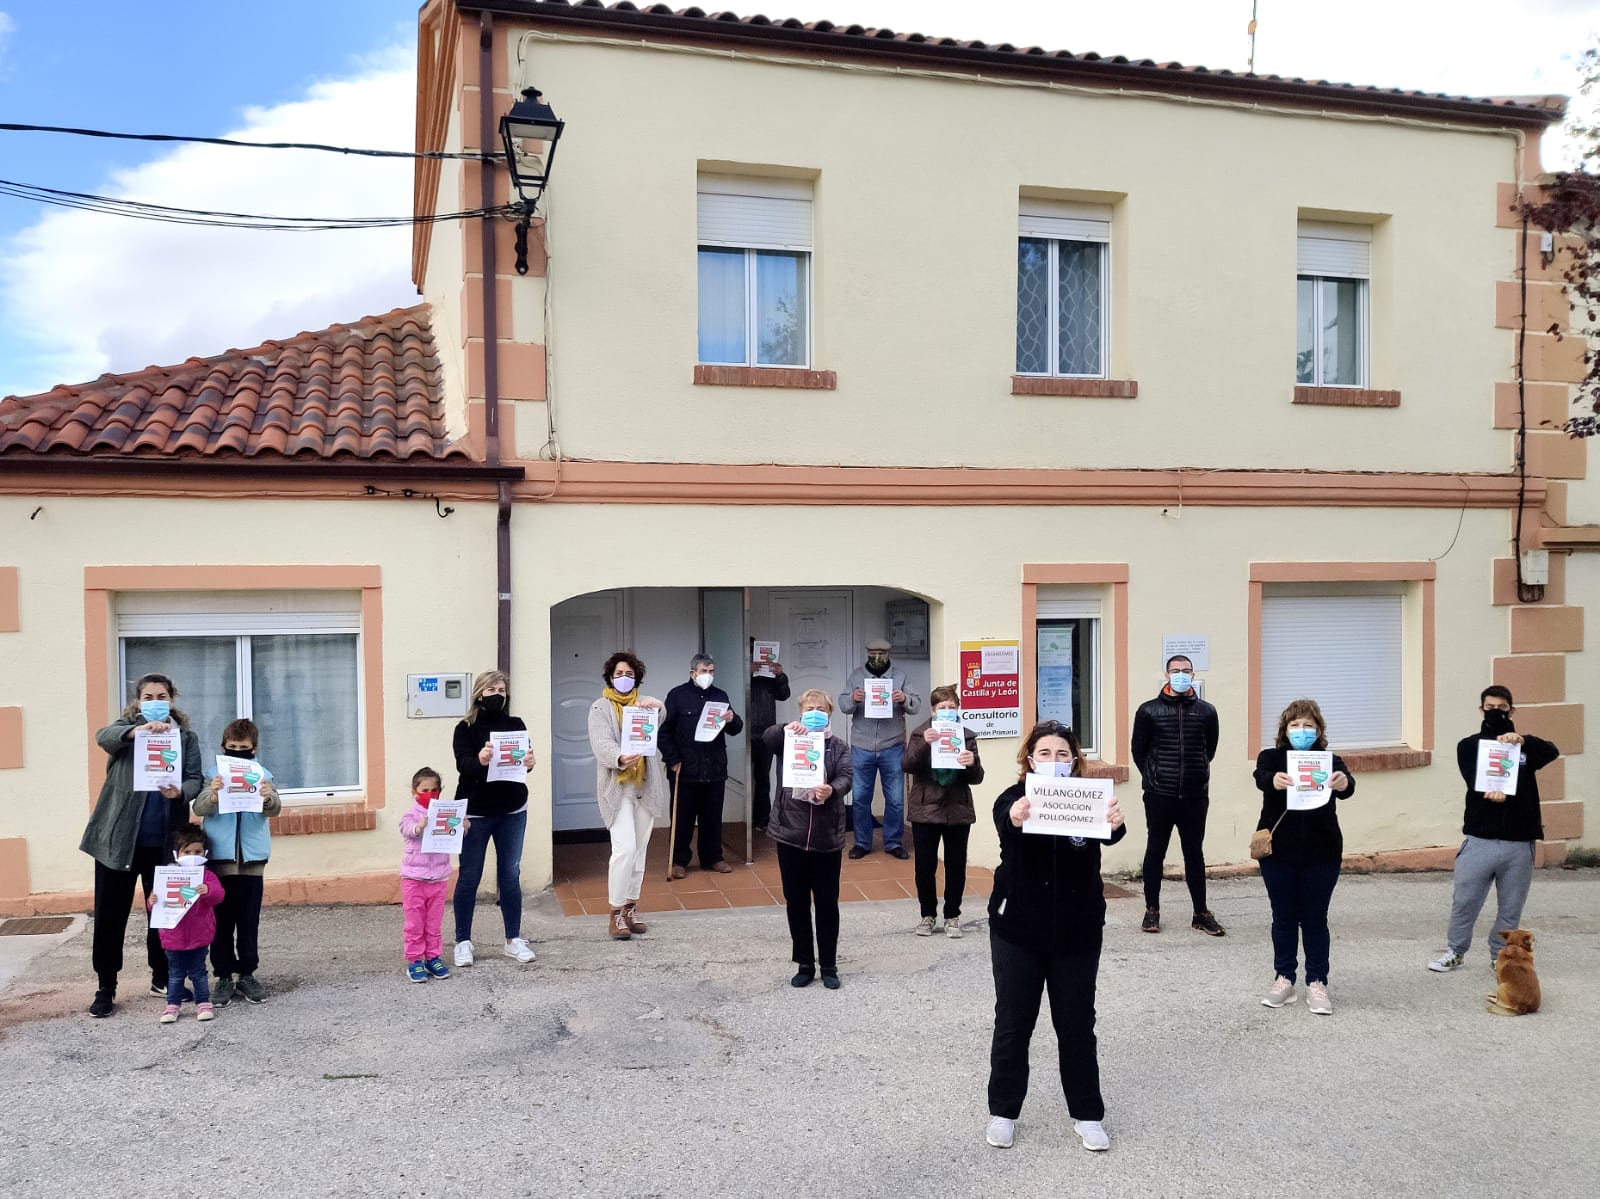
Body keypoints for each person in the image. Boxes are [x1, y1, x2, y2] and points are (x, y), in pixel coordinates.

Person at [985, 720, 1125, 1152]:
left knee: (1077, 1024)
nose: (1054, 760)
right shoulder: (1015, 797)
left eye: (1062, 754)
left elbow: (1112, 834)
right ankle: (1003, 1111)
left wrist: (1115, 822)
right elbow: (1003, 819)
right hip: (1018, 930)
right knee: (1013, 1022)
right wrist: (1015, 815)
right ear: (1029, 760)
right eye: (1044, 753)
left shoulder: (1089, 797)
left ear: (1074, 760)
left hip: (1077, 930)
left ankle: (1087, 1114)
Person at [84, 672, 205, 1018]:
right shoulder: (124, 732)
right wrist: (134, 732)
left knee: (164, 913)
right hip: (118, 841)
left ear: (172, 699)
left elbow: (195, 777)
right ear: (139, 702)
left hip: (165, 842)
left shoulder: (186, 737)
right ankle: (106, 986)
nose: (155, 702)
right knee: (110, 915)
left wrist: (182, 791)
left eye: (161, 696)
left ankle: (162, 978)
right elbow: (102, 737)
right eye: (148, 697)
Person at [1428, 685, 1561, 974]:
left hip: (1519, 840)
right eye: (1490, 707)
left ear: (1511, 711)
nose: (1496, 712)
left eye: (1502, 708)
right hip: (1480, 838)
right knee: (1465, 901)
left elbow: (1552, 751)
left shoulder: (1525, 748)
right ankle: (1456, 951)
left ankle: (1499, 955)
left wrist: (1522, 741)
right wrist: (1489, 789)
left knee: (1511, 907)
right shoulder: (1469, 745)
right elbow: (1471, 776)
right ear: (1481, 710)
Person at [1252, 700, 1356, 1015]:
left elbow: (1348, 787)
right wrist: (1273, 780)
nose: (1301, 731)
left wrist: (1343, 782)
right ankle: (1284, 979)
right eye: (1295, 725)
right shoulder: (1271, 758)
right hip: (1278, 853)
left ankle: (1317, 982)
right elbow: (1260, 776)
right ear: (1285, 730)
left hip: (1322, 852)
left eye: (1308, 725)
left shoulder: (1330, 760)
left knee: (1314, 920)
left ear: (1319, 730)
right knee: (1283, 918)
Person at [761, 690, 853, 989]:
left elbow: (847, 775)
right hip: (791, 833)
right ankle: (803, 962)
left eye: (820, 708)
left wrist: (833, 789)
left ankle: (829, 965)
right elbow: (767, 739)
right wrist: (785, 728)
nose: (814, 712)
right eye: (809, 708)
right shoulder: (789, 738)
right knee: (796, 901)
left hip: (827, 836)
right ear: (800, 711)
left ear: (830, 713)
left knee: (827, 903)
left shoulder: (839, 746)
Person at [1130, 654, 1223, 936]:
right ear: (1167, 675)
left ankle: (1200, 912)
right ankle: (1152, 910)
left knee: (1194, 852)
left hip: (1195, 795)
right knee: (1155, 851)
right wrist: (1154, 776)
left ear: (1193, 675)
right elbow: (1138, 751)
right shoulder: (1149, 711)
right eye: (1176, 670)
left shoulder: (1207, 712)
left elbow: (1210, 750)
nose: (1181, 674)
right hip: (1160, 794)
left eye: (1186, 670)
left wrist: (1197, 775)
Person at [450, 670, 537, 968]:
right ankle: (463, 941)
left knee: (510, 875)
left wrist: (530, 761)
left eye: (501, 689)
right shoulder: (465, 728)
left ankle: (513, 939)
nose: (497, 694)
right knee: (469, 876)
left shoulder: (515, 724)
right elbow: (463, 764)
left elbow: (523, 762)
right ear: (478, 694)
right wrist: (481, 760)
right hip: (475, 810)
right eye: (491, 690)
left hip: (512, 809)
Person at [192, 718, 281, 1007]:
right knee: (220, 923)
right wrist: (213, 793)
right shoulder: (213, 774)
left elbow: (276, 809)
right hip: (220, 860)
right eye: (232, 748)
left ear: (254, 748)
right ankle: (223, 976)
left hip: (252, 861)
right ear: (223, 747)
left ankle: (247, 973)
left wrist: (268, 798)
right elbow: (199, 807)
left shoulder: (264, 774)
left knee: (248, 921)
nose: (238, 752)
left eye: (243, 748)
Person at [587, 651, 669, 941]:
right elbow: (600, 744)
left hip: (645, 786)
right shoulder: (600, 707)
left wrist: (655, 704)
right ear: (610, 677)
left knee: (640, 850)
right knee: (624, 848)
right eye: (619, 674)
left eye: (630, 674)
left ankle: (632, 908)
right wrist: (621, 757)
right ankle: (615, 911)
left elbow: (660, 717)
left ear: (638, 678)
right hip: (618, 786)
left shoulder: (643, 705)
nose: (624, 679)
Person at [902, 685, 984, 938]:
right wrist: (925, 744)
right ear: (933, 710)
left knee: (956, 865)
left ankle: (952, 915)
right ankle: (927, 915)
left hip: (957, 808)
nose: (947, 712)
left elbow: (977, 778)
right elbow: (908, 765)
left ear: (958, 709)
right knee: (925, 866)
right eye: (941, 708)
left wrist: (972, 764)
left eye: (951, 707)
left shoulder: (967, 736)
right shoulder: (920, 733)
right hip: (926, 807)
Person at [660, 653, 745, 876]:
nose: (708, 675)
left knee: (712, 817)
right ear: (692, 673)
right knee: (683, 818)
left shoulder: (720, 695)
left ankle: (713, 857)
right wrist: (672, 759)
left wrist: (731, 719)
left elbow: (736, 728)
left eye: (711, 671)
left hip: (714, 768)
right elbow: (664, 732)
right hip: (685, 768)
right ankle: (679, 861)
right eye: (703, 671)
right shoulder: (677, 696)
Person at [838, 637, 921, 859]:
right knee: (860, 797)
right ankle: (862, 842)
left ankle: (893, 842)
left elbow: (916, 703)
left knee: (894, 798)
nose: (877, 657)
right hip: (861, 745)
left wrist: (903, 698)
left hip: (892, 745)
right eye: (873, 652)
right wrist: (853, 699)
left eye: (881, 653)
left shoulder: (900, 676)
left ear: (888, 654)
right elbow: (843, 704)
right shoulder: (857, 675)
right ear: (867, 653)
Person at [148, 827, 225, 1024]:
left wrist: (207, 891)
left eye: (197, 852)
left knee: (199, 971)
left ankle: (203, 1002)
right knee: (175, 974)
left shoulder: (207, 876)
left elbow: (218, 896)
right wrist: (152, 901)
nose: (192, 856)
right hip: (173, 937)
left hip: (199, 935)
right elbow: (154, 907)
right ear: (176, 854)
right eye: (187, 852)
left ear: (205, 853)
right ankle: (172, 1005)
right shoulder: (168, 875)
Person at [399, 766, 461, 983]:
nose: (430, 793)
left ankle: (433, 957)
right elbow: (406, 828)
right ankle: (415, 960)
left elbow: (454, 833)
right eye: (425, 789)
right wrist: (418, 827)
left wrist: (463, 825)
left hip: (438, 878)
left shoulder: (444, 812)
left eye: (434, 789)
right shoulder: (411, 815)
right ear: (415, 791)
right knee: (415, 923)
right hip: (414, 879)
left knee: (433, 923)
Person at [748, 642, 791, 832]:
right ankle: (739, 820)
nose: (754, 657)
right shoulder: (736, 674)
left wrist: (780, 675)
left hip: (765, 732)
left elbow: (784, 695)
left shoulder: (768, 677)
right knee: (739, 779)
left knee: (762, 779)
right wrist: (747, 673)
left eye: (754, 651)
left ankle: (762, 820)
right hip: (741, 733)